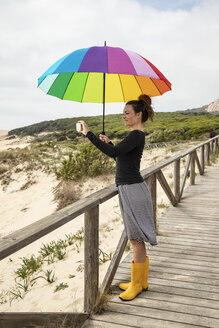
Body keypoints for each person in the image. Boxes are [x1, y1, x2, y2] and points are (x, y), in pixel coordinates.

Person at [77, 94, 157, 301]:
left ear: (138, 115)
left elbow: (111, 152)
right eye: (123, 113)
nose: (124, 116)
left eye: (127, 113)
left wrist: (89, 134)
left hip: (132, 189)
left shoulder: (136, 135)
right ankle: (140, 281)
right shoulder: (134, 136)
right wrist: (110, 142)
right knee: (135, 237)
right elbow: (116, 154)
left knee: (135, 238)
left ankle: (137, 285)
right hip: (129, 188)